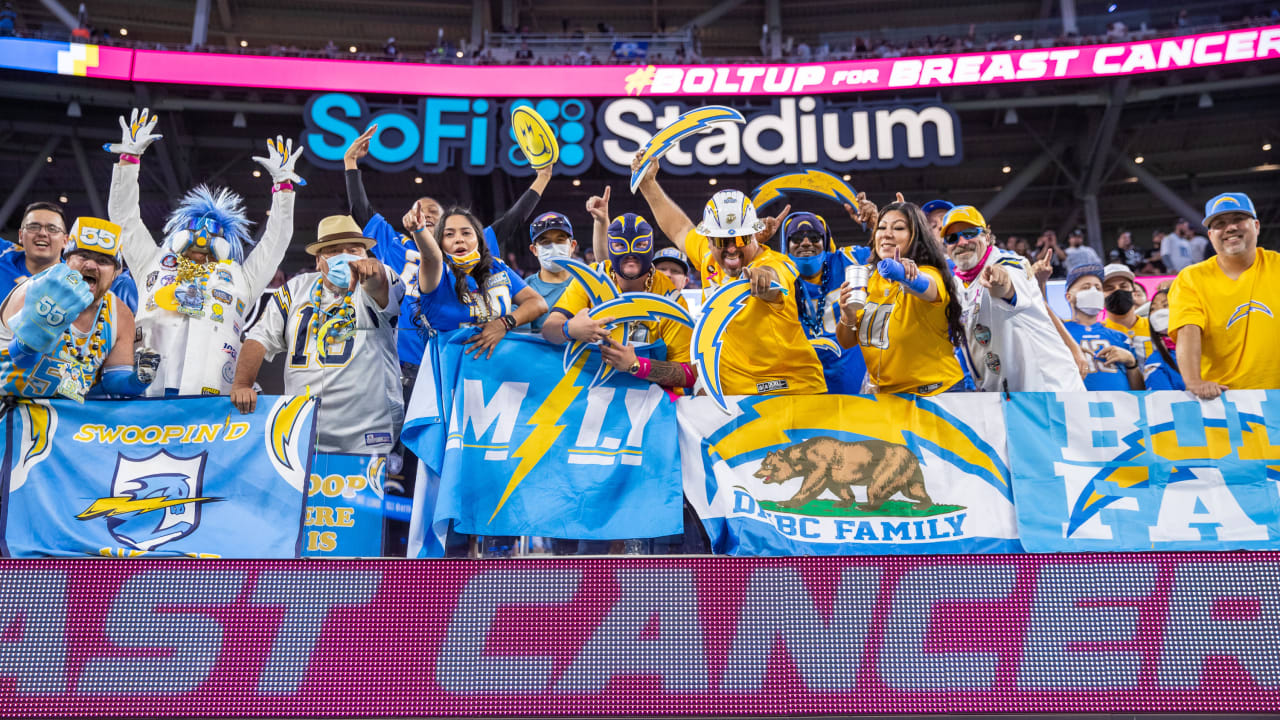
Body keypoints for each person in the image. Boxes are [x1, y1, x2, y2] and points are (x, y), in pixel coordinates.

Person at [107, 108, 300, 397]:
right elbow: (124, 219)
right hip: (147, 393)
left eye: (214, 232)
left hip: (211, 398)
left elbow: (276, 242)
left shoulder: (240, 278)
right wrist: (128, 162)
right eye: (195, 227)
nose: (203, 236)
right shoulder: (152, 261)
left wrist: (283, 190)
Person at [343, 124, 551, 368]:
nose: (427, 214)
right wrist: (350, 164)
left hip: (458, 361)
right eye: (420, 209)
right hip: (404, 361)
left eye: (434, 212)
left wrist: (542, 178)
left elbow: (512, 220)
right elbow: (362, 212)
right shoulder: (396, 246)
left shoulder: (467, 250)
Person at [631, 152, 826, 396]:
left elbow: (773, 279)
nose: (731, 248)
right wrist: (648, 184)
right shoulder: (709, 256)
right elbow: (679, 228)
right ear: (709, 240)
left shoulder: (777, 263)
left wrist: (763, 280)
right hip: (733, 393)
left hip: (790, 389)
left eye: (741, 238)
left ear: (754, 235)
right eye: (723, 240)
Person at [231, 216, 404, 454]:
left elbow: (380, 287)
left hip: (368, 430)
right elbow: (258, 338)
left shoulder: (382, 276)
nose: (346, 256)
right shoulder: (295, 289)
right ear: (318, 261)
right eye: (333, 251)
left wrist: (374, 276)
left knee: (360, 492)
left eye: (354, 250)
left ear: (366, 256)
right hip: (302, 428)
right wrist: (242, 384)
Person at [0, 217, 156, 399]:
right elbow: (21, 360)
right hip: (11, 409)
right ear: (66, 259)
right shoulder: (34, 289)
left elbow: (113, 379)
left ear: (116, 272)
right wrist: (34, 334)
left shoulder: (120, 315)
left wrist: (136, 381)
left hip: (66, 420)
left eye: (103, 260)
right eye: (83, 255)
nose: (90, 265)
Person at [544, 210, 694, 392]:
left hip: (647, 397)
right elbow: (549, 329)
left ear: (650, 246)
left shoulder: (670, 298)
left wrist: (637, 365)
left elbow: (689, 373)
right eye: (620, 246)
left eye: (640, 244)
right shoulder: (590, 278)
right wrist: (568, 329)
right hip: (588, 390)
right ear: (610, 247)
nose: (630, 254)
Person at [941, 206, 1083, 392]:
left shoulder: (1012, 263)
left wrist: (1001, 280)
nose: (961, 242)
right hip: (1003, 399)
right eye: (952, 238)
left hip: (1048, 392)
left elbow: (1008, 286)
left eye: (969, 233)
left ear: (986, 235)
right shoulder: (956, 285)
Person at [834, 200, 966, 395]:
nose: (887, 234)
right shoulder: (870, 281)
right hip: (890, 399)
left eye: (898, 228)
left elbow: (925, 286)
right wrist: (848, 315)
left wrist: (905, 275)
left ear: (915, 237)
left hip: (936, 395)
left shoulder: (930, 274)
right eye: (881, 227)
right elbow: (847, 342)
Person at [1169, 192, 1280, 399]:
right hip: (1224, 402)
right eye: (1219, 223)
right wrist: (1194, 381)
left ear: (1256, 226)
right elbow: (1188, 330)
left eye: (1238, 219)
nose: (1230, 228)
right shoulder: (1191, 278)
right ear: (1210, 236)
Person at [781, 211, 869, 394]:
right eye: (796, 238)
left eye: (814, 237)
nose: (806, 243)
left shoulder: (848, 260)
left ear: (826, 241)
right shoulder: (778, 272)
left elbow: (886, 251)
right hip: (802, 386)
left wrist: (877, 223)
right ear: (786, 245)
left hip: (851, 385)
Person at [0, 202, 137, 312]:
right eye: (33, 227)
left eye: (52, 229)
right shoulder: (4, 255)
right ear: (20, 235)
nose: (42, 233)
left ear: (66, 241)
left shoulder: (82, 275)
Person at [1061, 264, 1143, 390]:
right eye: (1086, 287)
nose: (1093, 291)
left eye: (1098, 288)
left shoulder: (1120, 337)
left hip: (1121, 406)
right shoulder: (1060, 332)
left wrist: (1131, 362)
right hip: (1077, 405)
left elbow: (1139, 391)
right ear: (1069, 296)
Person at [521, 210, 578, 332]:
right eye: (545, 242)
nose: (553, 247)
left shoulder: (586, 283)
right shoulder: (524, 292)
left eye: (560, 240)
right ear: (534, 250)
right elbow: (522, 342)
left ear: (572, 246)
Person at [1101, 263, 1154, 366]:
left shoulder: (1156, 326)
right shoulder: (1100, 332)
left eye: (1123, 286)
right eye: (1109, 288)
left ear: (1133, 290)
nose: (1118, 291)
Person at [1142, 283, 1184, 391]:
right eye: (1153, 309)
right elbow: (1163, 404)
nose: (1158, 312)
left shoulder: (1209, 351)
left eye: (1166, 305)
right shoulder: (1156, 361)